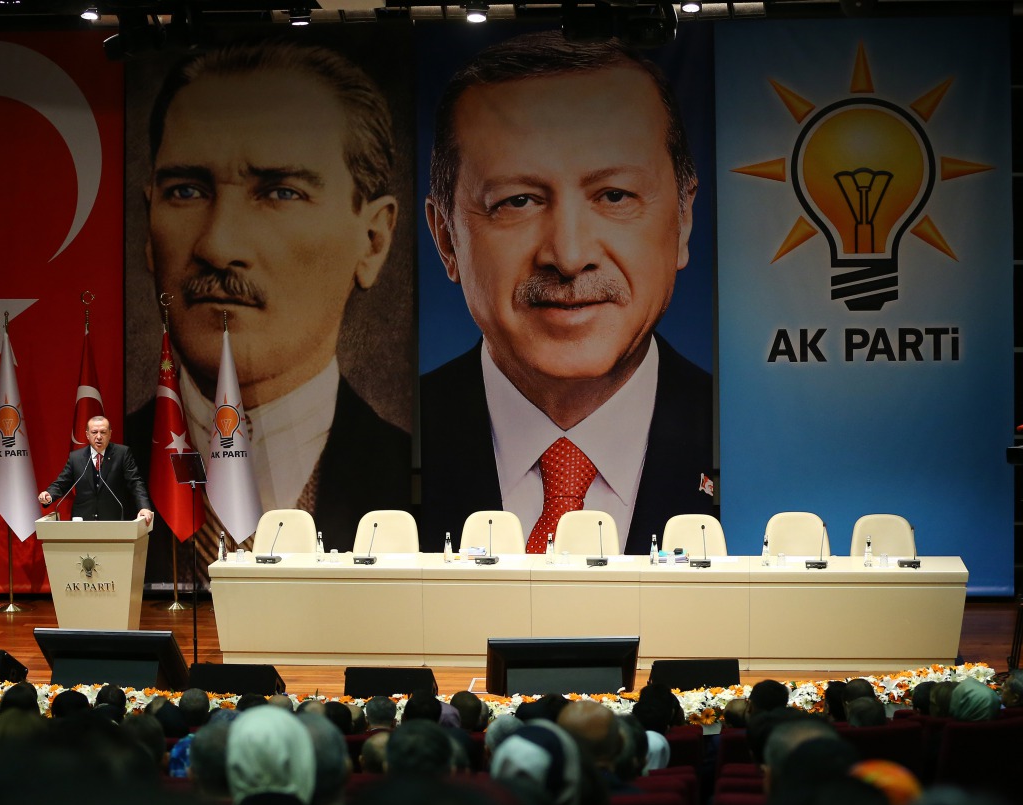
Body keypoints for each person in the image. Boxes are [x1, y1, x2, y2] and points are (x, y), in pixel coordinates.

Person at [126, 37, 411, 578]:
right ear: (148, 227)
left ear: (373, 240)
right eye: (186, 191)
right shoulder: (111, 470)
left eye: (281, 193)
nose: (218, 245)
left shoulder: (415, 473)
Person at [420, 31, 712, 553]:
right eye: (518, 201)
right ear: (446, 237)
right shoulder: (372, 449)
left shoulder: (758, 441)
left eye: (614, 195)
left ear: (683, 219)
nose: (569, 255)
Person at [39, 416, 153, 525]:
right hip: (82, 521)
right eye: (94, 432)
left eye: (103, 432)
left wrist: (144, 507)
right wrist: (49, 494)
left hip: (113, 521)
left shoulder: (122, 454)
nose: (98, 437)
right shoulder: (76, 457)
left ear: (110, 434)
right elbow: (62, 483)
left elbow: (135, 482)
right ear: (87, 435)